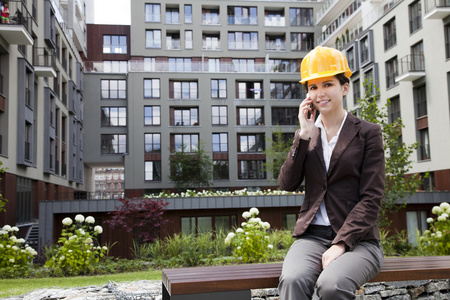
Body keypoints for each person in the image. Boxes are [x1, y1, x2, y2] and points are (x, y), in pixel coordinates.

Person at [277, 46, 385, 300]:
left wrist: (341, 243)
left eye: (327, 84)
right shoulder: (307, 136)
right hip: (312, 237)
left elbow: (371, 198)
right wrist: (302, 136)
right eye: (313, 87)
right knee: (292, 280)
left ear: (344, 87)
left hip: (359, 241)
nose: (319, 93)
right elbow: (287, 183)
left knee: (332, 285)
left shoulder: (368, 133)